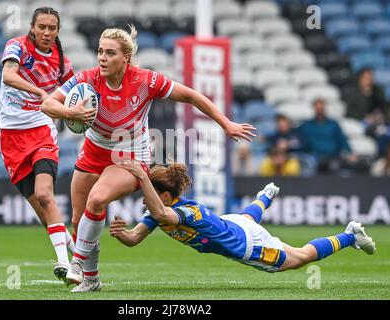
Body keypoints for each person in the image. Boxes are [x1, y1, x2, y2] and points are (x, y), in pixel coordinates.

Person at [41, 25, 257, 292]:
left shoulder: (146, 81)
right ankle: (92, 279)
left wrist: (226, 123)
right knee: (78, 217)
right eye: (100, 52)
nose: (102, 58)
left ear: (126, 58)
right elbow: (47, 104)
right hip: (94, 151)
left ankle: (78, 262)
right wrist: (69, 111)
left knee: (97, 199)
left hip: (129, 155)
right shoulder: (87, 79)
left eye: (110, 53)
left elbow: (191, 95)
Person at [110, 161, 375, 275]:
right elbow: (134, 239)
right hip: (233, 224)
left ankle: (350, 235)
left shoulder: (183, 213)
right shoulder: (161, 212)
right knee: (248, 217)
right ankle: (265, 197)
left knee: (300, 258)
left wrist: (142, 176)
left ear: (166, 196)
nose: (144, 200)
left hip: (248, 245)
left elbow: (158, 212)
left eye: (148, 194)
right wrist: (122, 234)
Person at [0, 7, 87, 283]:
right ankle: (75, 254)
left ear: (58, 31)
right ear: (33, 28)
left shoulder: (63, 63)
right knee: (41, 208)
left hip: (42, 132)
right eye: (42, 27)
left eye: (52, 28)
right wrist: (40, 91)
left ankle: (63, 263)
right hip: (11, 136)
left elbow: (76, 92)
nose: (47, 33)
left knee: (46, 195)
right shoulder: (17, 47)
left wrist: (79, 112)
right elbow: (8, 76)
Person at [298, 98, 356, 173]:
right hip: (314, 158)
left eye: (321, 108)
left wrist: (349, 153)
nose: (319, 110)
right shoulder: (306, 126)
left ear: (324, 109)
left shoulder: (333, 124)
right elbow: (296, 137)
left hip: (333, 157)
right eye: (317, 108)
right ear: (314, 109)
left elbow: (342, 140)